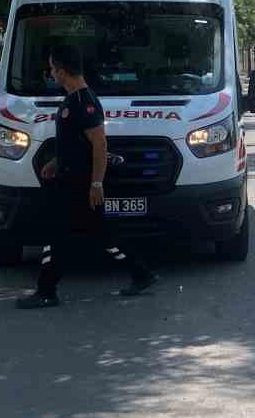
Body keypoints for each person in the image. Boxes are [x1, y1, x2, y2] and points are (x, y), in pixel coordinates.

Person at [17, 43, 158, 309]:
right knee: (101, 234)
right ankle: (141, 273)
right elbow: (75, 142)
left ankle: (46, 291)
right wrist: (56, 162)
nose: (51, 74)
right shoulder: (73, 100)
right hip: (69, 178)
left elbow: (99, 144)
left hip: (79, 183)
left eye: (52, 69)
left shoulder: (85, 102)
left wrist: (96, 183)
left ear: (62, 71)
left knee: (56, 233)